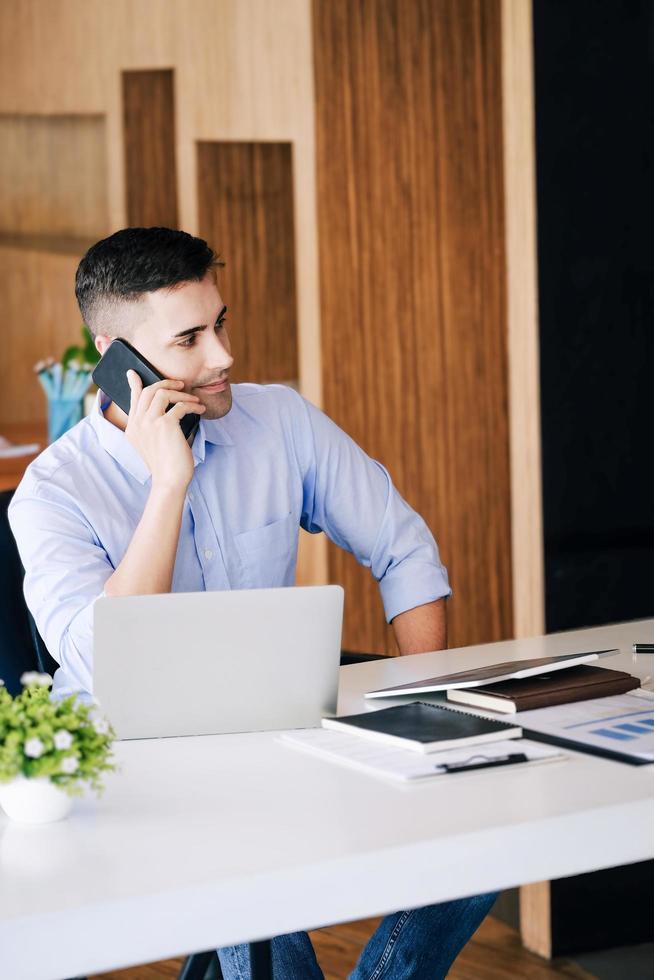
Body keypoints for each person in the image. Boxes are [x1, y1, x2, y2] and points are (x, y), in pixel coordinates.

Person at [9, 227, 496, 978]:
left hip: (277, 733)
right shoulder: (51, 495)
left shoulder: (280, 421)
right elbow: (109, 660)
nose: (224, 356)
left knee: (489, 812)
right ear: (117, 359)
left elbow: (402, 548)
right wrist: (169, 482)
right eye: (190, 339)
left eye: (221, 323)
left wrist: (429, 710)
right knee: (247, 858)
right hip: (136, 769)